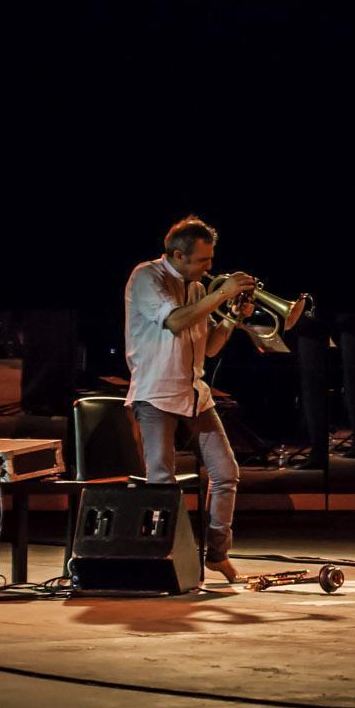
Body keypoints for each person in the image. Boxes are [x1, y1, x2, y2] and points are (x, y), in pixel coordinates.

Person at [123, 216, 254, 583]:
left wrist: (230, 318)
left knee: (226, 473)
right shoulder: (146, 277)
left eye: (211, 260)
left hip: (195, 395)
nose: (209, 268)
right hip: (156, 394)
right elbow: (174, 322)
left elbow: (208, 347)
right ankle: (163, 558)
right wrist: (221, 295)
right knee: (162, 482)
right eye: (202, 261)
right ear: (177, 255)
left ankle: (217, 554)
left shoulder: (198, 288)